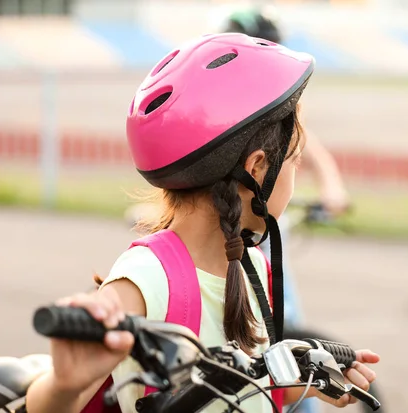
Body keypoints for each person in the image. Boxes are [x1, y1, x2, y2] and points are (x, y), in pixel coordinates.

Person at [25, 34, 378, 413]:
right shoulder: (147, 279)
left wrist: (309, 383)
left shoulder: (252, 265)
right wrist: (64, 385)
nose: (297, 175)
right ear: (257, 169)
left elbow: (245, 392)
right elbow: (53, 403)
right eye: (295, 162)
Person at [222, 5, 350, 327]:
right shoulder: (220, 108)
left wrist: (332, 189)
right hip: (222, 222)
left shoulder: (281, 109)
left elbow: (312, 150)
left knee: (282, 309)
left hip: (258, 222)